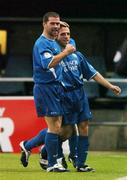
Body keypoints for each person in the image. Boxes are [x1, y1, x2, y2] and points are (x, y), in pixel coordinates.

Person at [19, 21, 121, 172]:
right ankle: (44, 151)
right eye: (62, 34)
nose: (66, 37)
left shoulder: (76, 54)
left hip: (79, 94)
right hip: (62, 94)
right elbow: (46, 63)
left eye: (68, 34)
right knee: (63, 130)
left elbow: (92, 73)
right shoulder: (54, 54)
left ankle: (80, 163)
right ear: (55, 36)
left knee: (83, 126)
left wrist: (110, 86)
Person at [19, 12, 75, 173]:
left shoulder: (54, 41)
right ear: (44, 24)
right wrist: (65, 53)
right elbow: (48, 63)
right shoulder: (41, 43)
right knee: (55, 127)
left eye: (58, 23)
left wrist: (63, 29)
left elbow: (70, 44)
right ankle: (51, 163)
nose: (56, 26)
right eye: (53, 23)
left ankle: (28, 145)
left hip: (58, 87)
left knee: (65, 128)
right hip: (46, 87)